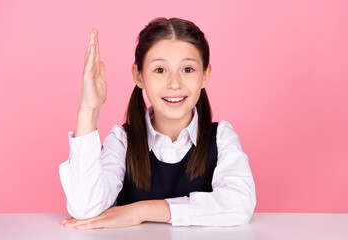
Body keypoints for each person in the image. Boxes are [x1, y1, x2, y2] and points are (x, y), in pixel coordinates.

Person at [59, 17, 256, 230]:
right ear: (139, 76)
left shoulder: (221, 137)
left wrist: (141, 211)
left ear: (205, 76)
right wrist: (89, 108)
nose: (174, 84)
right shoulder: (123, 141)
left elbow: (239, 204)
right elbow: (85, 209)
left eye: (187, 69)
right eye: (160, 70)